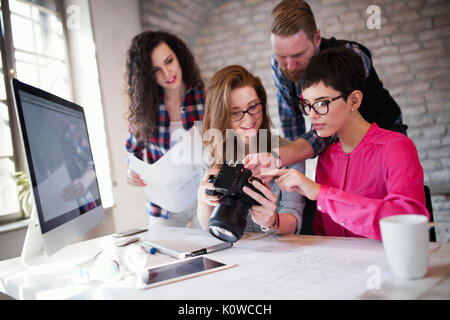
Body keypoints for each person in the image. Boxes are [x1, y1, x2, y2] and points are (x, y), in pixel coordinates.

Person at [261, 48, 429, 241]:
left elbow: (406, 218)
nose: (312, 114)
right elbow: (324, 235)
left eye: (322, 103)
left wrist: (320, 193)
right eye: (307, 105)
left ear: (354, 100)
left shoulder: (396, 147)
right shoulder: (327, 157)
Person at [266, 0, 407, 167]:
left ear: (317, 38)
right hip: (340, 148)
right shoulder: (278, 66)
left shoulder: (352, 57)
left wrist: (289, 153)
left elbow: (329, 126)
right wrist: (294, 165)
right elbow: (291, 122)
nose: (289, 66)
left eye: (298, 55)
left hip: (384, 135)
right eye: (281, 56)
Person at [197, 65, 305, 235]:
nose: (249, 119)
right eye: (235, 113)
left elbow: (294, 220)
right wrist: (203, 199)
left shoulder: (289, 153)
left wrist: (272, 221)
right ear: (221, 116)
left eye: (253, 106)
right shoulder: (210, 156)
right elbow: (209, 227)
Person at [124, 31, 205, 228]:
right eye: (155, 70)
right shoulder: (144, 110)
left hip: (204, 199)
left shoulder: (206, 98)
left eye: (169, 61)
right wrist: (131, 172)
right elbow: (132, 152)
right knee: (162, 256)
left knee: (210, 254)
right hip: (164, 207)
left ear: (179, 57)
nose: (167, 73)